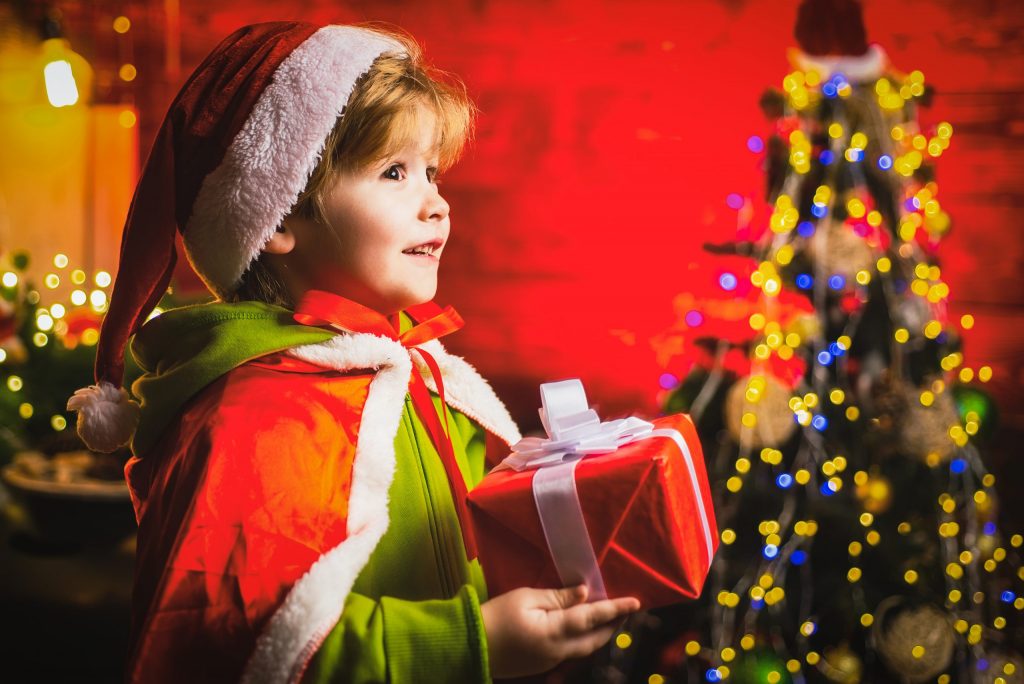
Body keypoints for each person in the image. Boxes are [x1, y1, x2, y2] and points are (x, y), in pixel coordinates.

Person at [67, 21, 639, 683]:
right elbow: (240, 648)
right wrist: (468, 642)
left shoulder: (412, 375)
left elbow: (469, 539)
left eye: (432, 171)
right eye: (394, 172)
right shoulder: (260, 419)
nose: (437, 204)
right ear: (279, 215)